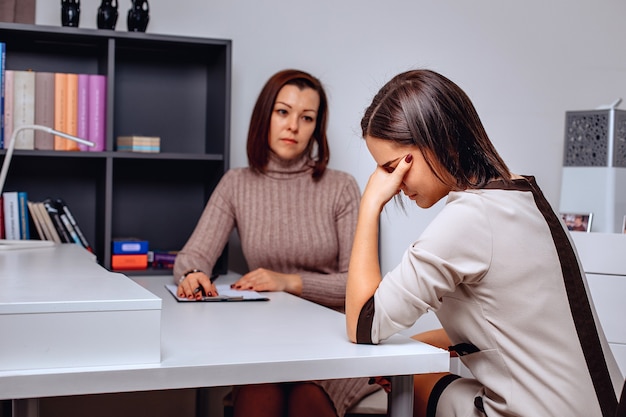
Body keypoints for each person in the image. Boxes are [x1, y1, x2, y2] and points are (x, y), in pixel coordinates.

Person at [345, 69, 623, 417]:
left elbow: (362, 324)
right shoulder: (523, 195)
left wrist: (369, 205)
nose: (392, 183)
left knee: (412, 380)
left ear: (436, 140)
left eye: (391, 167)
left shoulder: (468, 220)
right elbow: (507, 328)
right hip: (606, 405)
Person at [174, 69, 379, 417]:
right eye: (283, 112)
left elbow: (359, 285)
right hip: (262, 337)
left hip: (331, 336)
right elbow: (194, 254)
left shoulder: (341, 187)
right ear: (264, 116)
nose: (293, 126)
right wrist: (192, 273)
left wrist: (289, 282)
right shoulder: (236, 184)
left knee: (305, 399)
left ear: (317, 127)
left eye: (307, 117)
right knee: (259, 393)